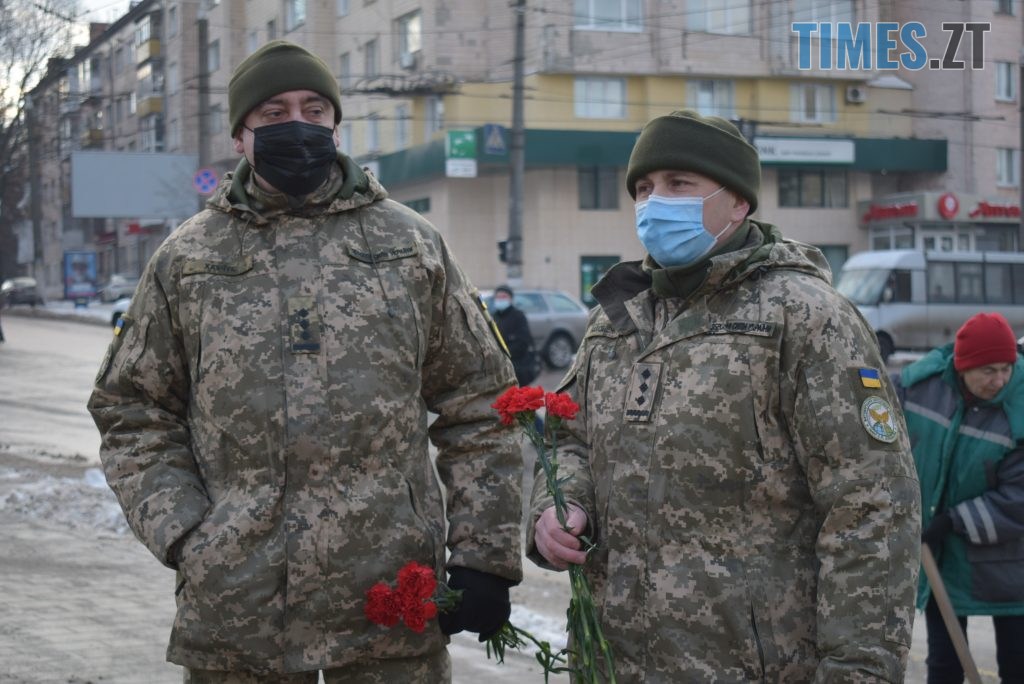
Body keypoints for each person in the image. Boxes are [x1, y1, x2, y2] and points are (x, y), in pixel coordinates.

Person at [88, 40, 523, 682]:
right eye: (274, 113)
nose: (298, 124)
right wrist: (187, 533)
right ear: (240, 136)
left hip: (389, 601)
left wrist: (484, 555)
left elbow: (483, 404)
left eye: (314, 109)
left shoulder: (410, 244)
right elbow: (131, 409)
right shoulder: (188, 258)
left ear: (335, 125)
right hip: (240, 610)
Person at [525, 110, 922, 682]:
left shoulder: (805, 318)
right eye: (644, 188)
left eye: (678, 183)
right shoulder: (614, 322)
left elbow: (871, 508)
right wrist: (557, 508)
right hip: (614, 662)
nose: (654, 202)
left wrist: (858, 671)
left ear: (738, 202)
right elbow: (570, 442)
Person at [895, 312, 1024, 684]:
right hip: (942, 558)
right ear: (962, 367)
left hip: (1011, 564)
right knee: (944, 665)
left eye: (1006, 369)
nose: (999, 380)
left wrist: (953, 520)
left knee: (1018, 663)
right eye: (988, 371)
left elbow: (1018, 497)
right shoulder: (922, 387)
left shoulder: (1019, 407)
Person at [491, 285, 540, 387]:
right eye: (498, 297)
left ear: (510, 299)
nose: (500, 300)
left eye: (504, 297)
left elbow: (523, 341)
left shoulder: (518, 316)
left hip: (518, 366)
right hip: (499, 367)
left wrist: (505, 355)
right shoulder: (493, 317)